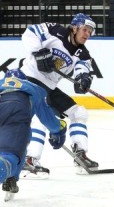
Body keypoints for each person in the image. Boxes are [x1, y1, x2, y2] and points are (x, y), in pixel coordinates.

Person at [20, 13, 99, 177]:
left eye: (90, 32)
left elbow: (82, 70)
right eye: (85, 30)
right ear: (75, 27)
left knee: (79, 112)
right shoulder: (55, 31)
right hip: (28, 79)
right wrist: (39, 51)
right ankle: (30, 158)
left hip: (48, 87)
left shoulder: (82, 54)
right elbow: (29, 32)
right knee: (40, 114)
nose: (87, 34)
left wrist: (83, 80)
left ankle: (80, 154)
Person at [0, 69, 66, 197]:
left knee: (23, 139)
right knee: (10, 154)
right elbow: (48, 119)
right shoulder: (33, 88)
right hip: (16, 110)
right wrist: (59, 130)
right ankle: (8, 174)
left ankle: (12, 178)